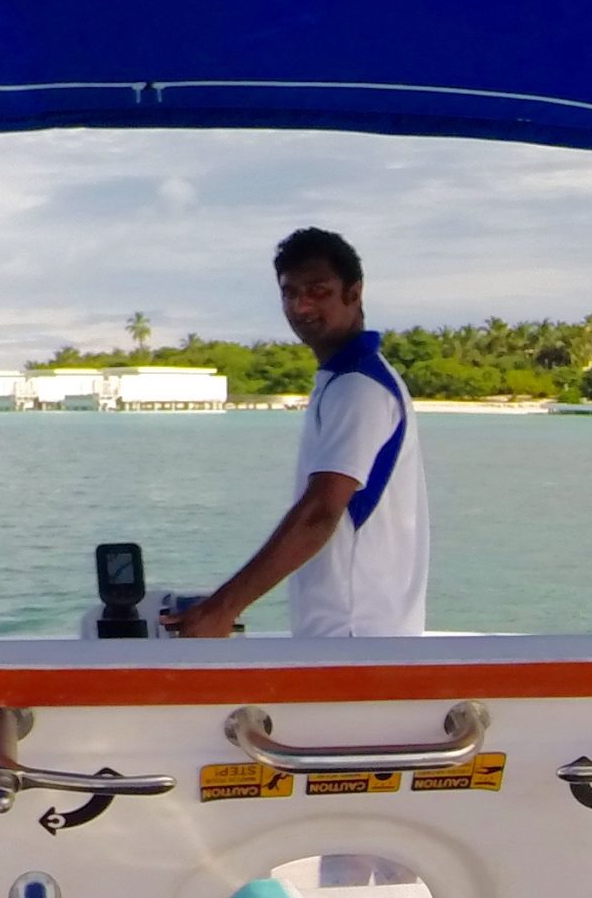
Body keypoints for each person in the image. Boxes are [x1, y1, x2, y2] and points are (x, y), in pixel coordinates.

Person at [165, 228, 429, 638]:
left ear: (354, 293)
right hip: (361, 637)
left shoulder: (358, 388)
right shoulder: (345, 380)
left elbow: (321, 511)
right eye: (290, 293)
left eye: (318, 291)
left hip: (355, 637)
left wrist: (223, 608)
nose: (301, 306)